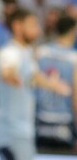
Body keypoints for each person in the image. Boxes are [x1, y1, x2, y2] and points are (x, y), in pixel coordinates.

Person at [0, 9, 71, 160]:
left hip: (22, 131)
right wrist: (9, 75)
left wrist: (53, 85)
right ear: (17, 26)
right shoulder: (9, 52)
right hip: (12, 133)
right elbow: (7, 70)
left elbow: (34, 76)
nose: (38, 30)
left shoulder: (27, 52)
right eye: (33, 25)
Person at [34, 13, 77, 149]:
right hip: (63, 125)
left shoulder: (40, 52)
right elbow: (76, 100)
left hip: (40, 123)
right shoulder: (73, 58)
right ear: (72, 31)